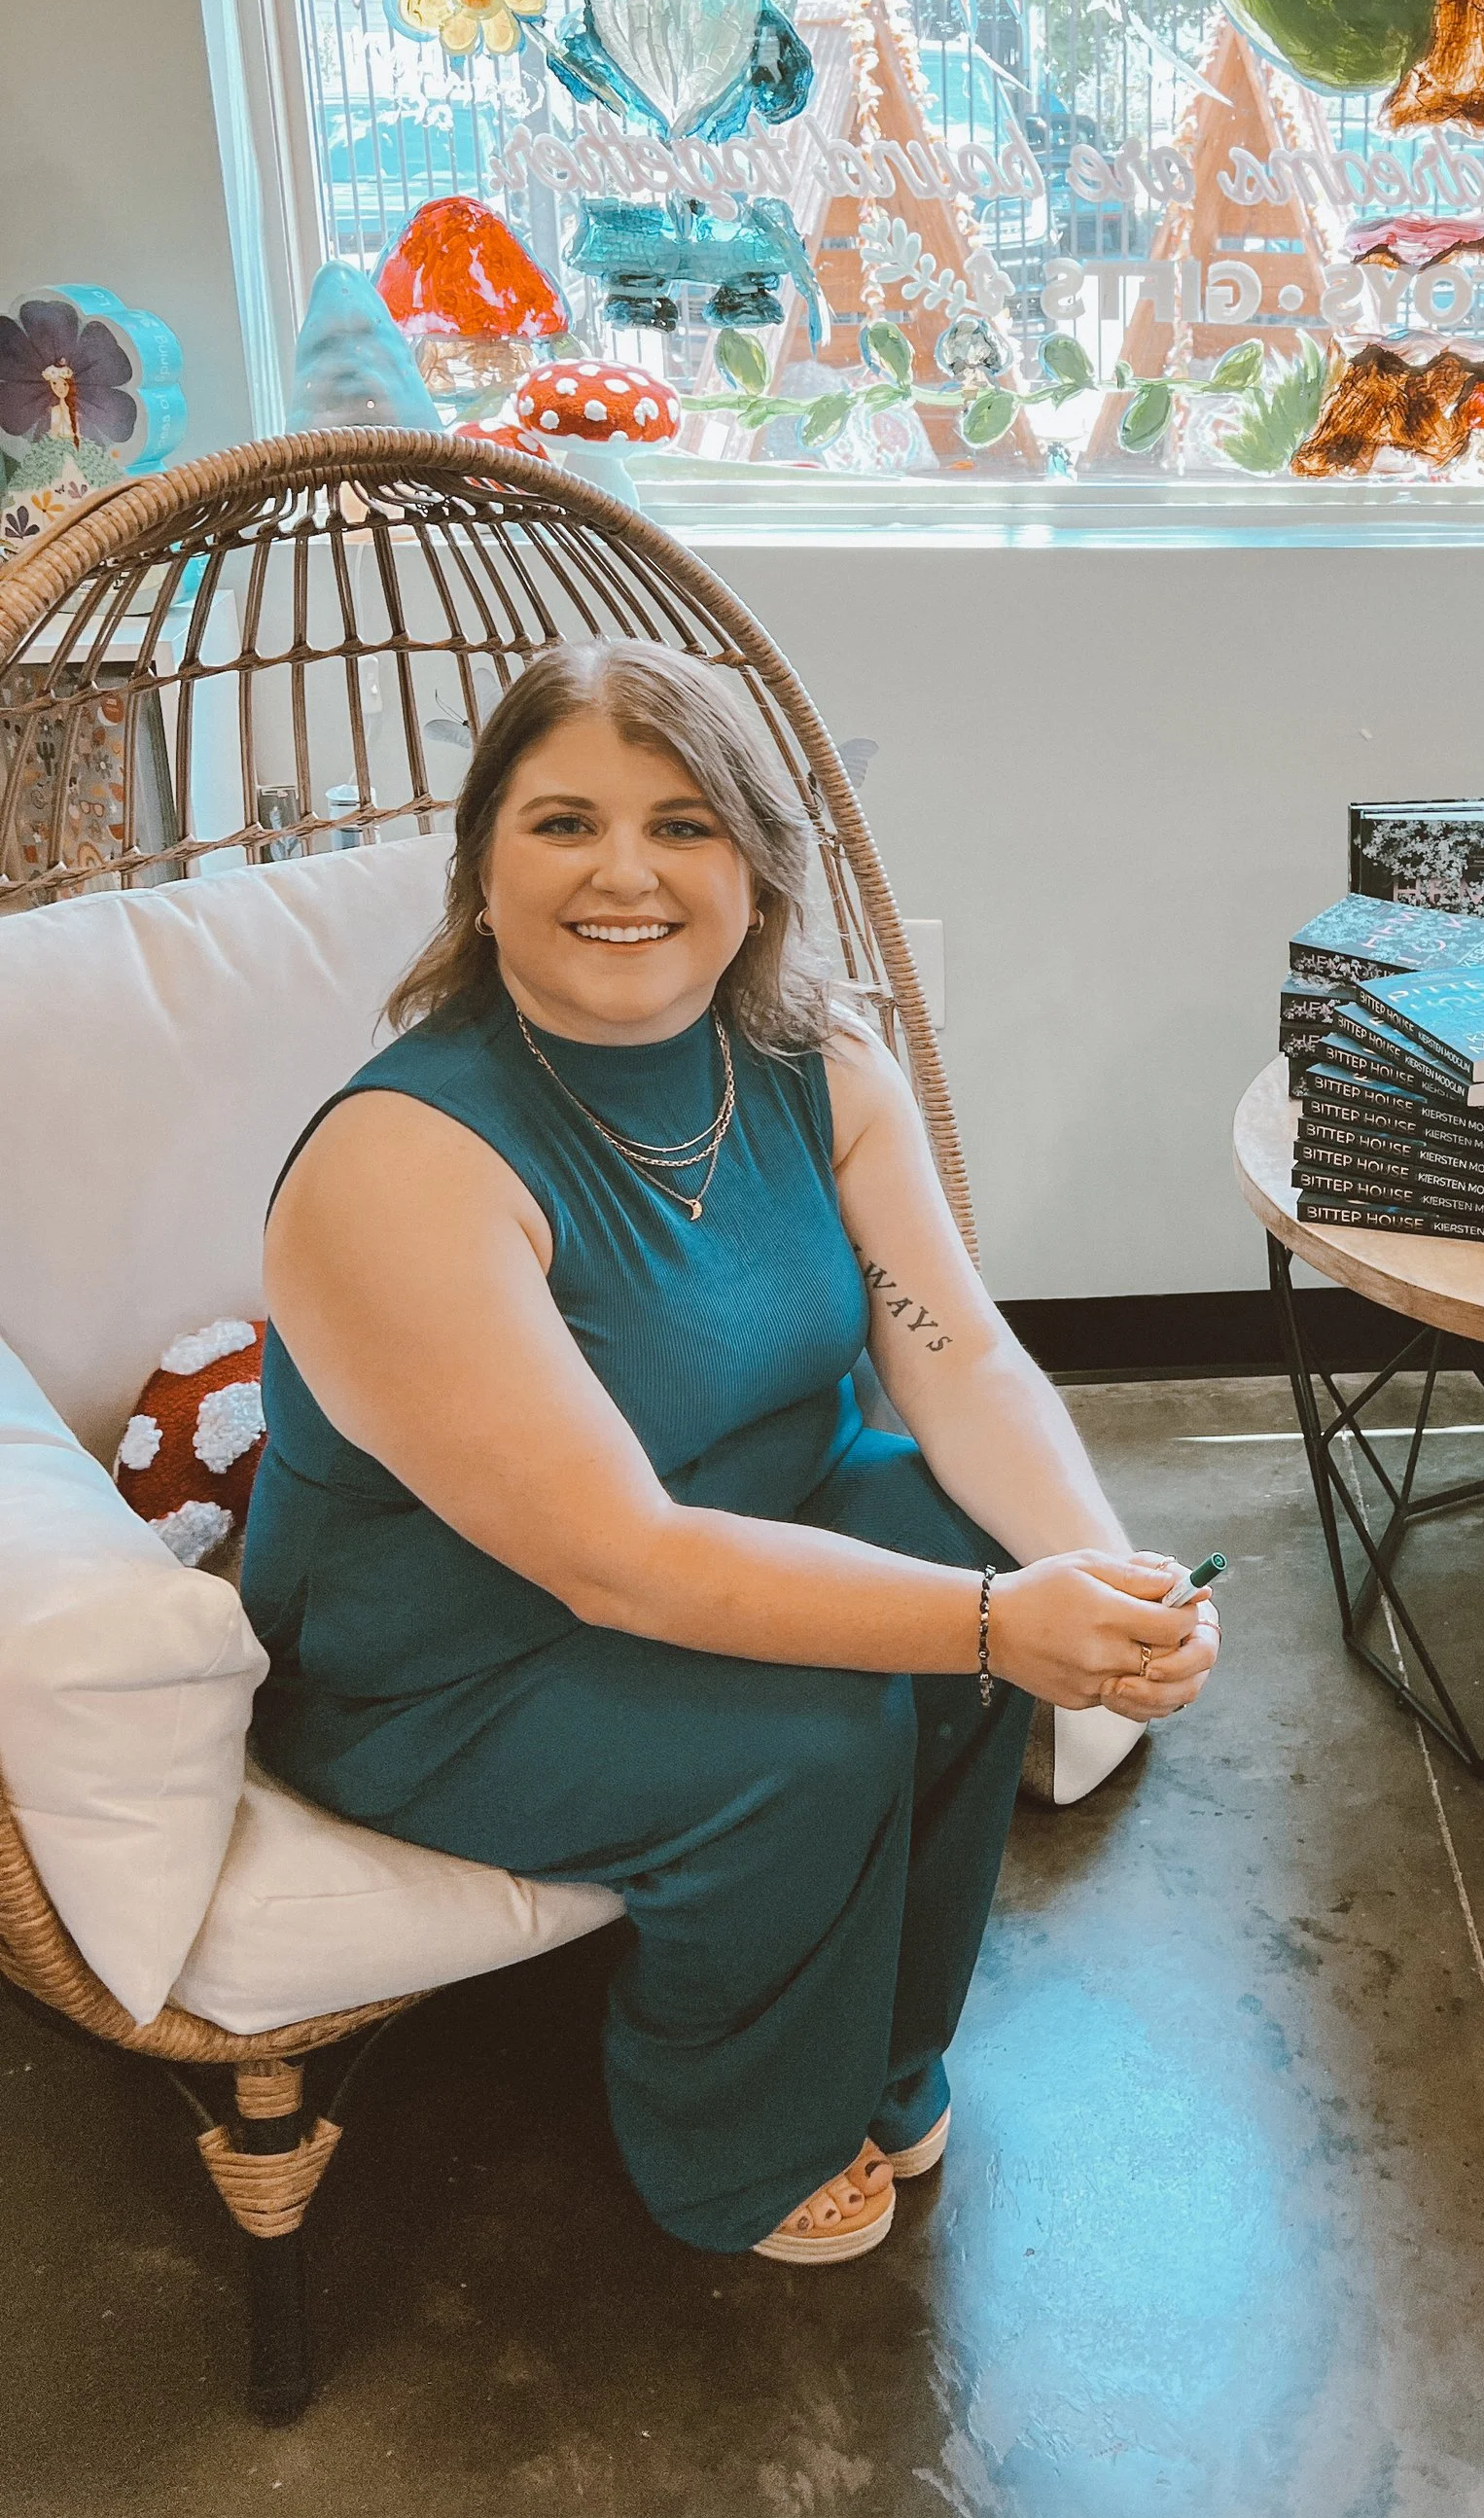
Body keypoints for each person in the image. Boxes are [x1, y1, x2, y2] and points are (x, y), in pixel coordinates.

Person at [244, 640, 1219, 2265]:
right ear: (482, 871)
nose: (625, 871)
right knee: (819, 1737)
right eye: (564, 824)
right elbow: (613, 1558)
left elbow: (959, 1354)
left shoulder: (816, 1062)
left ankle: (879, 2051)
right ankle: (734, 2147)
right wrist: (992, 1630)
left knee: (981, 1565)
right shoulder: (400, 1160)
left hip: (752, 1513)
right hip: (457, 1661)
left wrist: (1090, 1571)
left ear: (756, 875)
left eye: (683, 825)